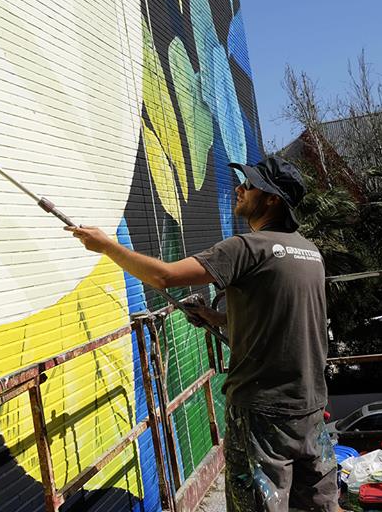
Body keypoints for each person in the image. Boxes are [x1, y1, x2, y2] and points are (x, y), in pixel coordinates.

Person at [66, 156, 337, 512]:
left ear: (272, 199)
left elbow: (164, 276)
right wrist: (214, 317)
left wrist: (107, 246)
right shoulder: (309, 252)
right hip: (310, 405)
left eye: (250, 185)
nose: (239, 189)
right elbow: (280, 322)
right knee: (321, 506)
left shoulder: (247, 247)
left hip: (262, 411)